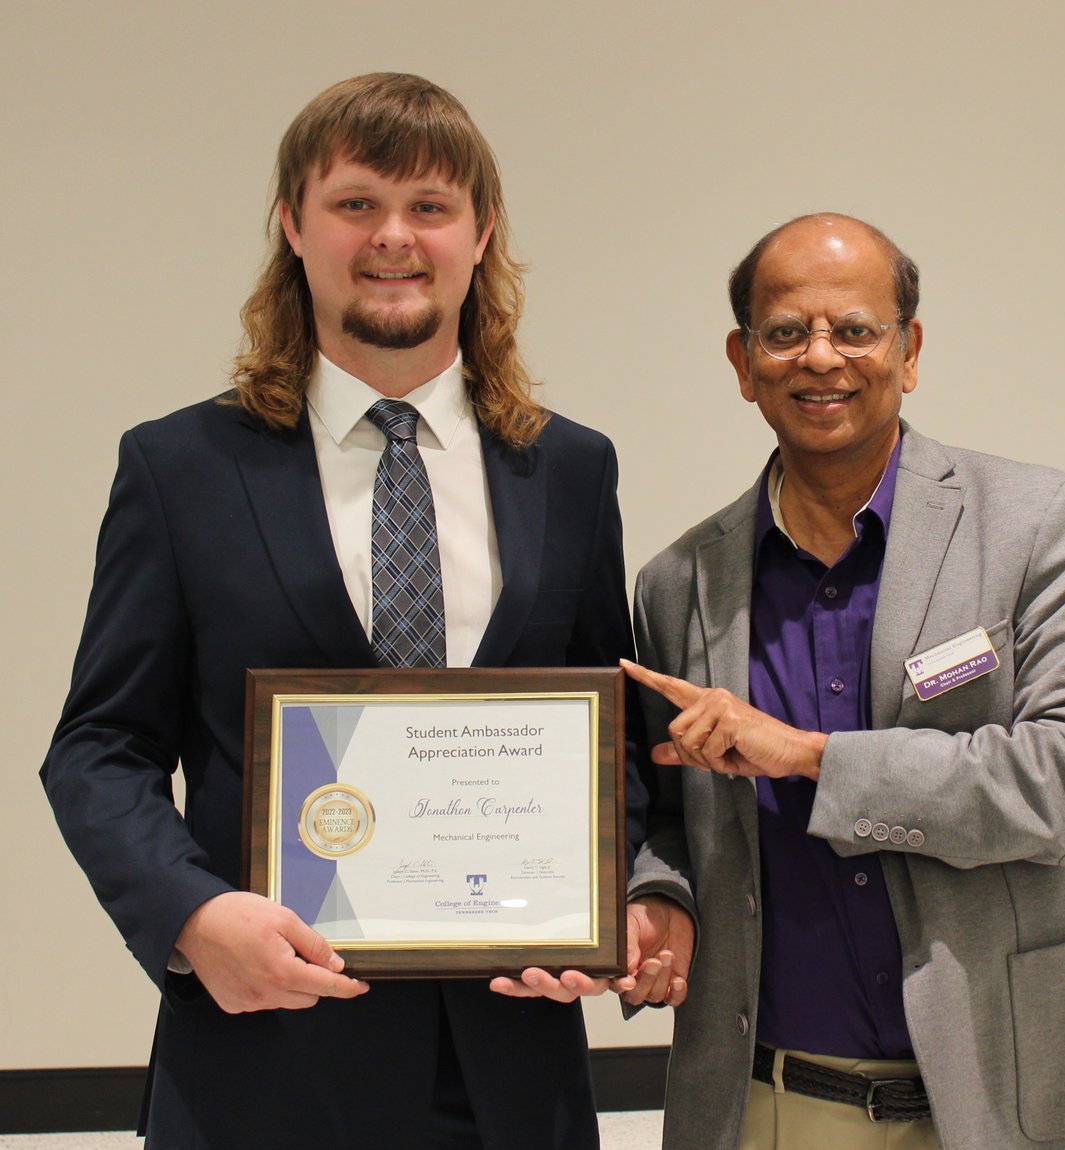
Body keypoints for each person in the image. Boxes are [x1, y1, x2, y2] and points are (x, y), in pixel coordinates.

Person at [40, 73, 649, 1150]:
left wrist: (604, 900)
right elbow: (99, 748)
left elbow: (617, 747)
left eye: (429, 206)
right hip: (265, 1063)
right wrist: (191, 915)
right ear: (294, 224)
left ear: (481, 230)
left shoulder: (566, 469)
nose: (393, 238)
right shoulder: (182, 468)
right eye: (356, 203)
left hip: (511, 1077)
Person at [620, 213, 1065, 1150]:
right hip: (771, 1106)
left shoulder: (1035, 525)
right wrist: (657, 894)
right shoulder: (681, 585)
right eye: (785, 332)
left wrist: (812, 759)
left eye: (855, 330)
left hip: (1011, 1090)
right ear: (743, 363)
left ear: (908, 352)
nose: (819, 358)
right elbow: (672, 811)